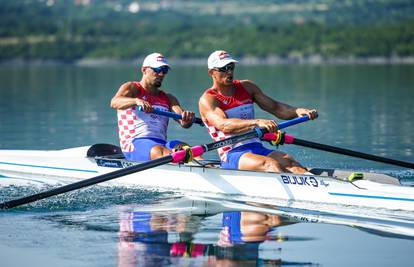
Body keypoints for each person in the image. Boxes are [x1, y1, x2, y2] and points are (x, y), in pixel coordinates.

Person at [198, 50, 318, 174]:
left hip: (257, 148)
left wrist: (297, 111)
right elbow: (224, 126)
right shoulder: (208, 99)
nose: (229, 72)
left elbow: (276, 108)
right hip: (232, 154)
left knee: (291, 163)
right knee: (270, 164)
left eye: (231, 67)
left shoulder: (247, 87)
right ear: (211, 72)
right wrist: (257, 122)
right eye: (224, 68)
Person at [111, 52, 195, 162]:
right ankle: (177, 161)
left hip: (162, 144)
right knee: (160, 151)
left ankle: (209, 168)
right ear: (144, 70)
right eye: (157, 70)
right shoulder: (133, 88)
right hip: (134, 144)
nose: (161, 74)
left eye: (164, 71)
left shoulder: (169, 98)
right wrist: (136, 101)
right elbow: (114, 102)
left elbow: (183, 123)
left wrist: (187, 119)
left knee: (188, 150)